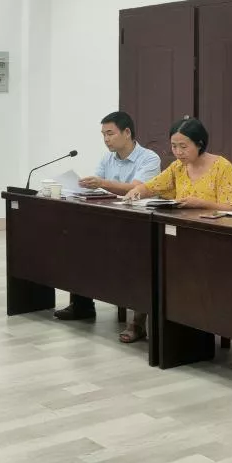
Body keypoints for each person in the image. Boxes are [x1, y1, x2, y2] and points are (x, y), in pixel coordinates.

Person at [122, 117, 232, 342]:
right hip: (182, 236)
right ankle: (139, 322)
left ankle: (186, 324)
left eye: (183, 146)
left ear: (200, 143)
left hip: (214, 239)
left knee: (169, 264)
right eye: (174, 146)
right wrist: (137, 191)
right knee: (149, 261)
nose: (178, 152)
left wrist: (201, 203)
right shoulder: (178, 167)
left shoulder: (222, 166)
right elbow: (153, 185)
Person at [55, 111, 161, 321]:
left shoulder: (149, 158)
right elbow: (98, 187)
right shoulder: (107, 158)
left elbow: (136, 189)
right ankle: (82, 305)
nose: (106, 139)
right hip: (111, 219)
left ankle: (136, 313)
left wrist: (102, 183)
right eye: (103, 134)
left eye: (110, 134)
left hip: (138, 223)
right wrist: (85, 186)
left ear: (127, 132)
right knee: (77, 241)